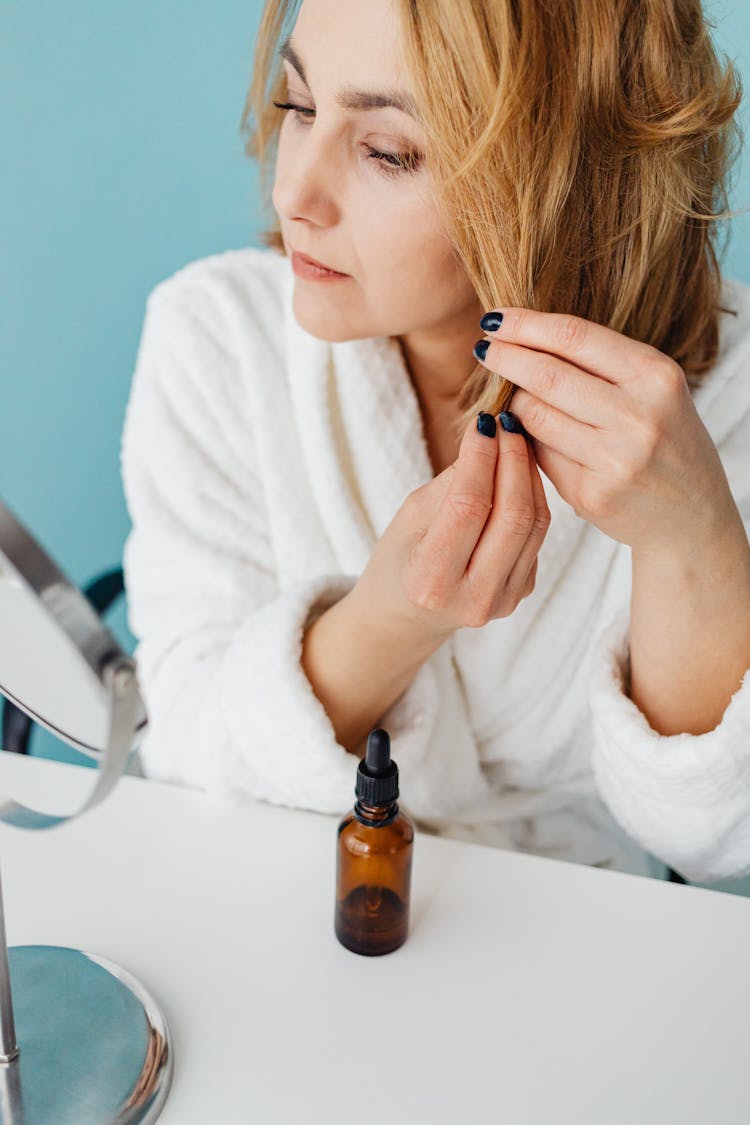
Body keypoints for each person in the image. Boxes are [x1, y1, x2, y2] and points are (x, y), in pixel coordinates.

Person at [120, 0, 750, 884]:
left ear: (568, 179)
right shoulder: (218, 340)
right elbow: (182, 748)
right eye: (298, 107)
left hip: (588, 933)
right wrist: (392, 615)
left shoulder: (724, 402)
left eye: (387, 152)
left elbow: (715, 839)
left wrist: (697, 540)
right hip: (275, 900)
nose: (292, 191)